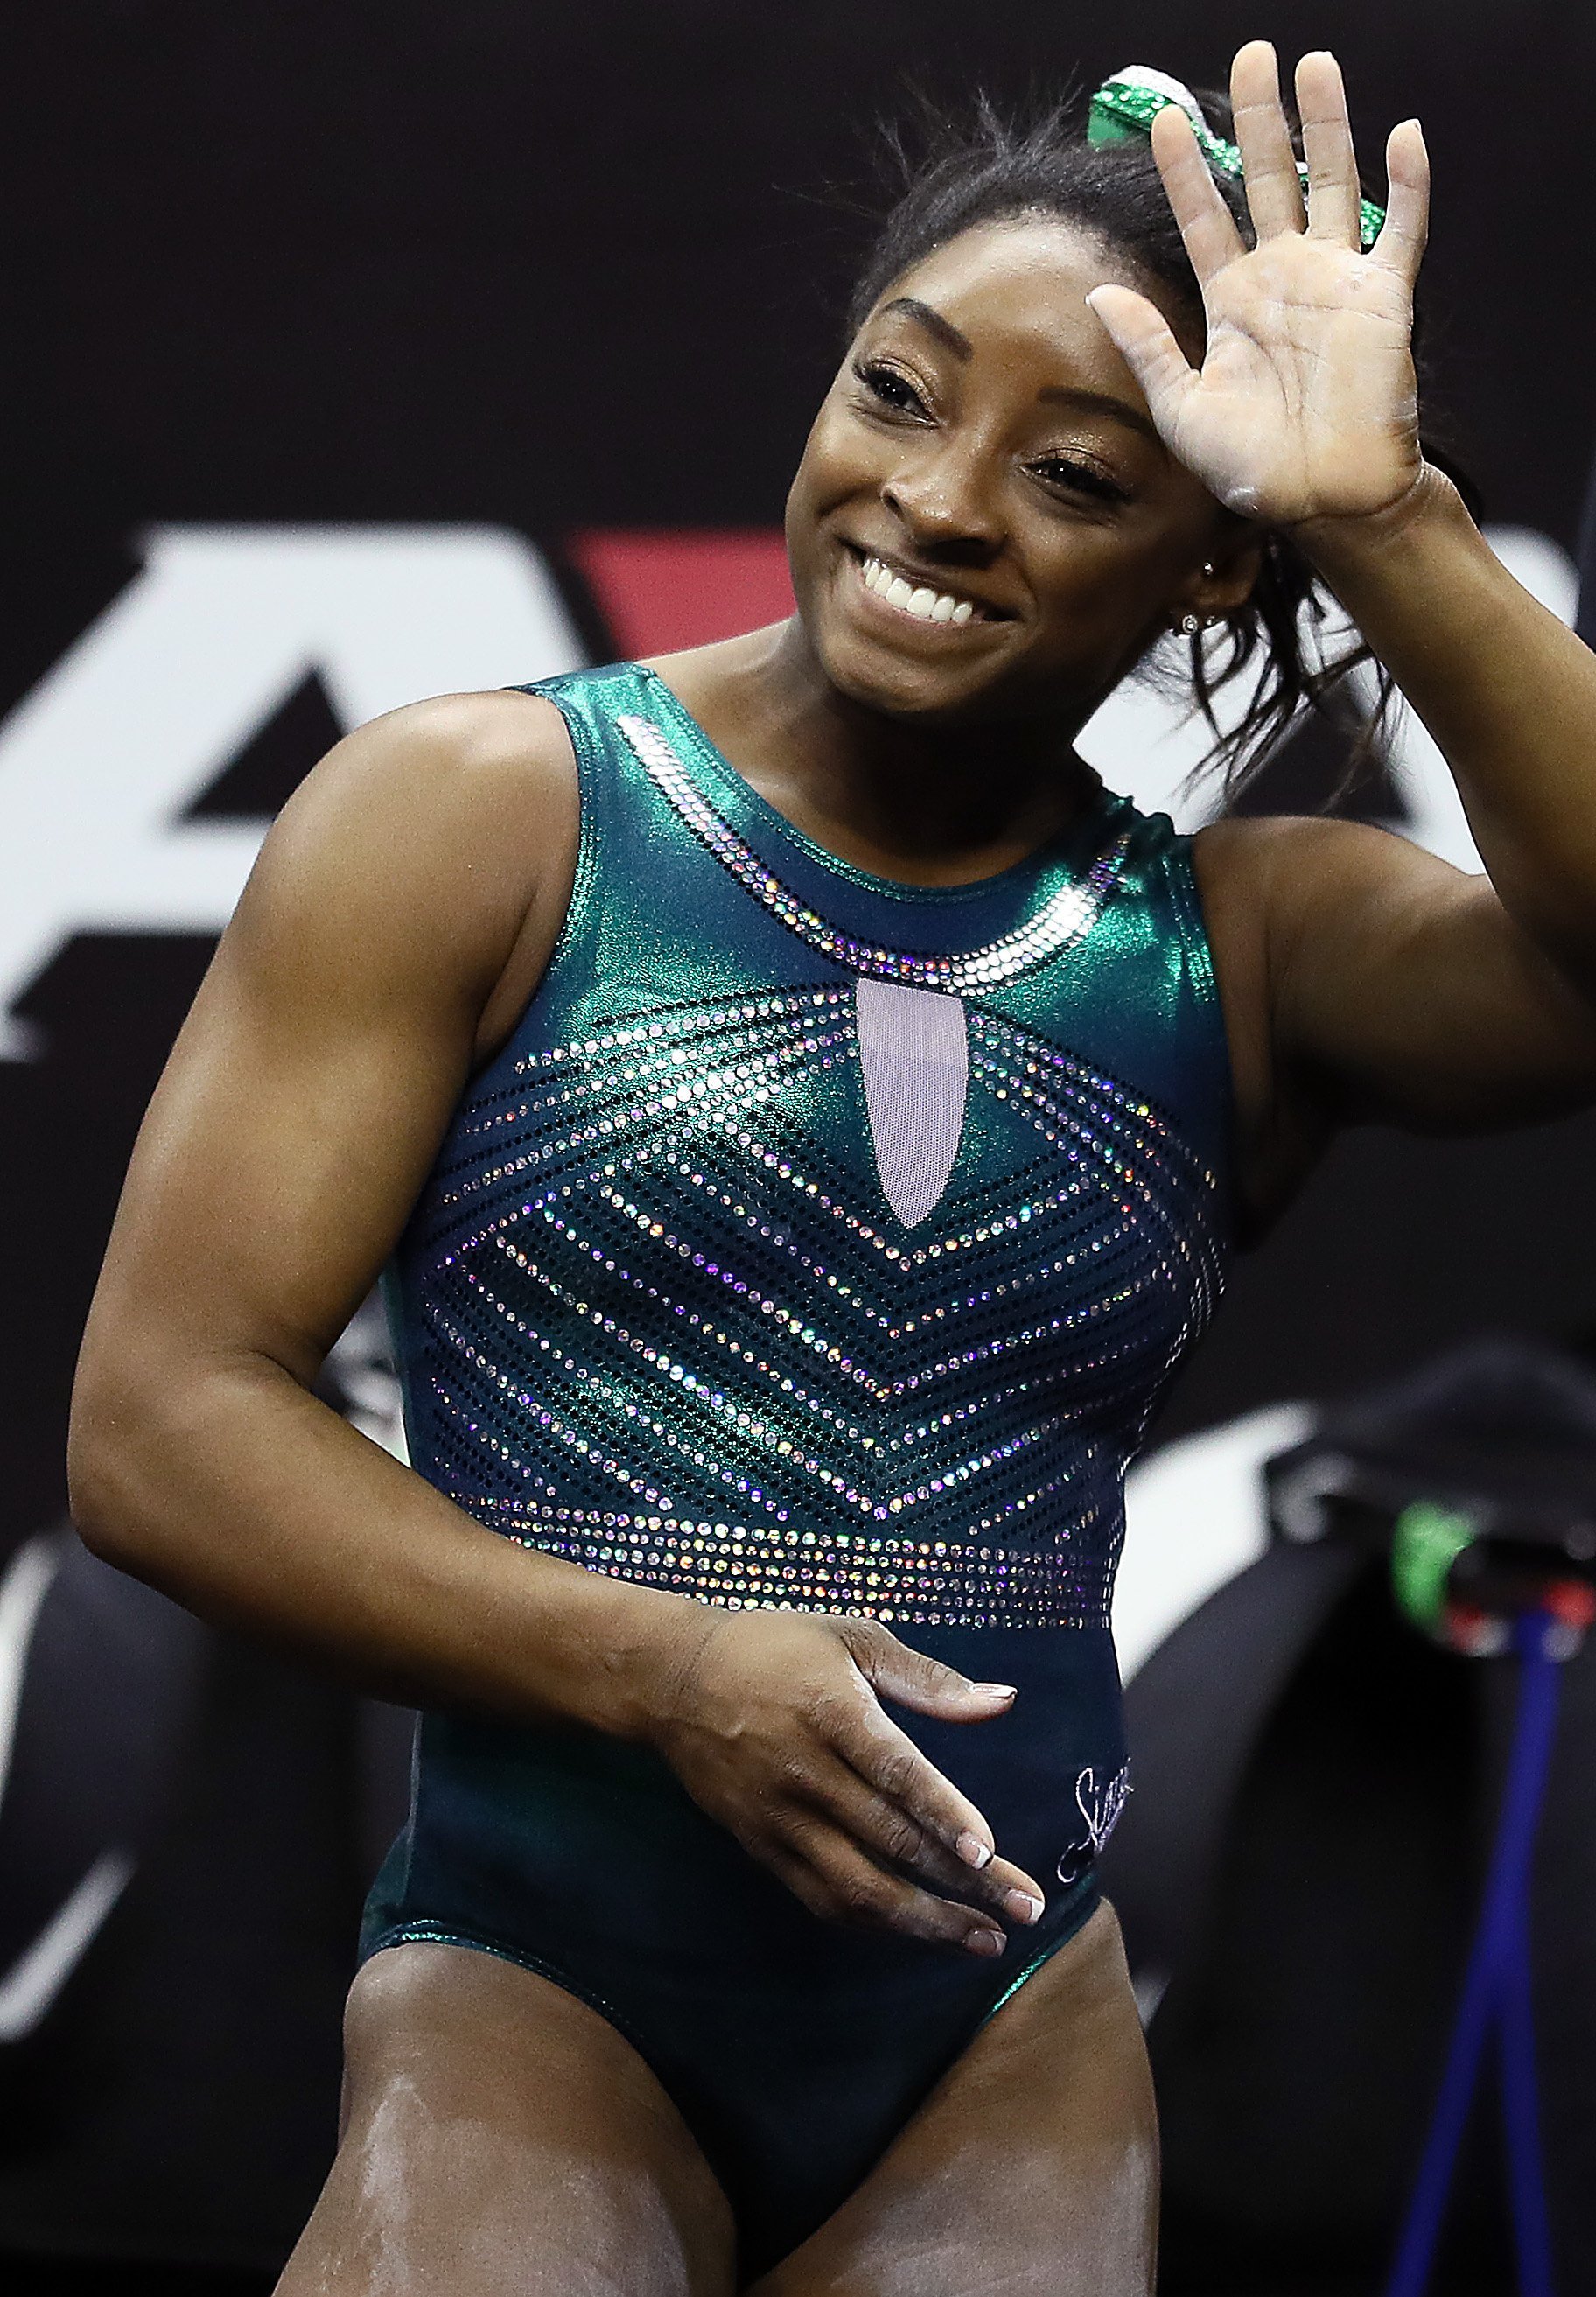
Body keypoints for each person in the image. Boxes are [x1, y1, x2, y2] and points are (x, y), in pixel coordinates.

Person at [67, 39, 1596, 2297]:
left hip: (1003, 2044)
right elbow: (162, 1429)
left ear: (1200, 572)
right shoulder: (484, 817)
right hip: (539, 1987)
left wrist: (1381, 517)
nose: (944, 501)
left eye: (1077, 473)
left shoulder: (1244, 948)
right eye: (897, 393)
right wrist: (662, 1667)